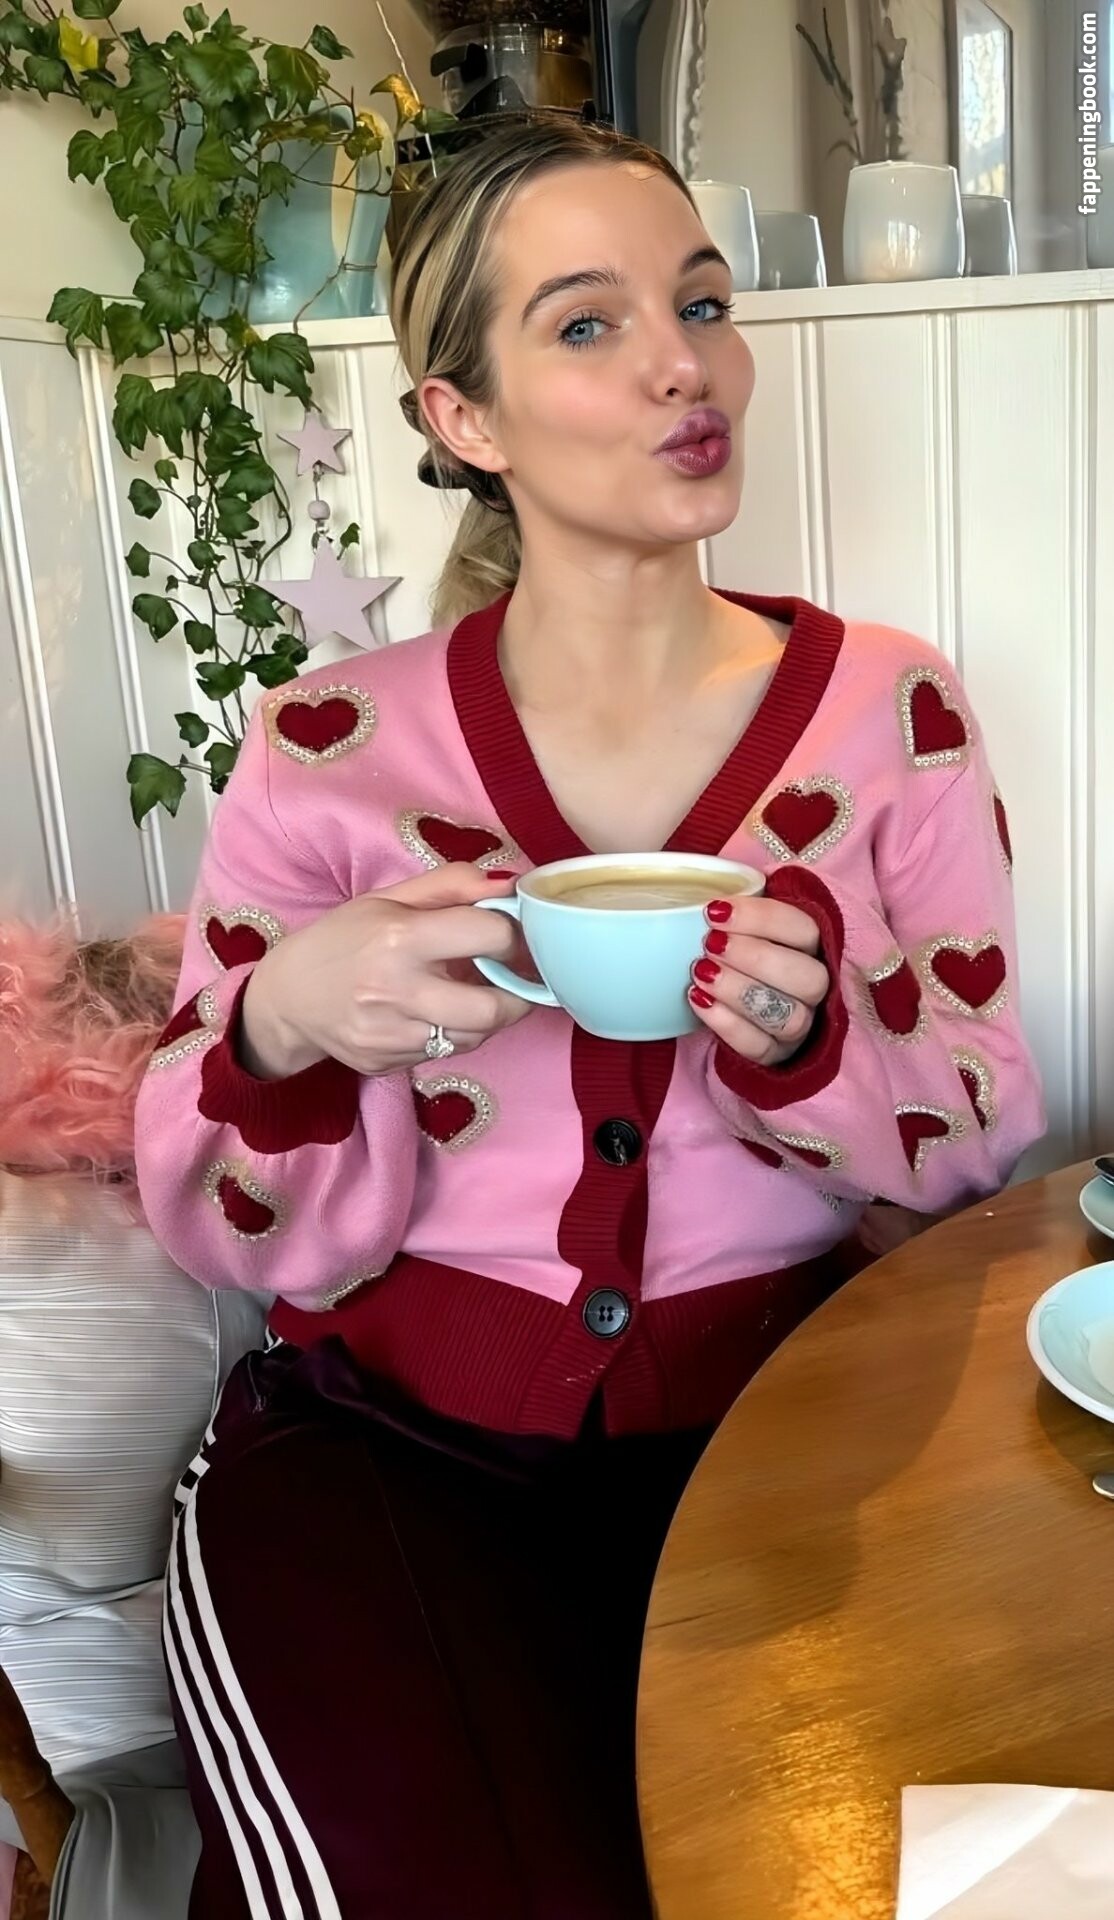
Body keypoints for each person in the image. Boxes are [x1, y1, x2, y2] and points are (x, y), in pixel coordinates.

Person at [134, 114, 1045, 1920]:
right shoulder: (325, 745)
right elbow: (217, 1217)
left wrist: (815, 1049)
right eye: (583, 324)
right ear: (461, 418)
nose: (678, 364)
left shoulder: (892, 710)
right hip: (385, 1463)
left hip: (795, 1443)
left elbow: (984, 1133)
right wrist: (284, 1024)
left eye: (698, 304)